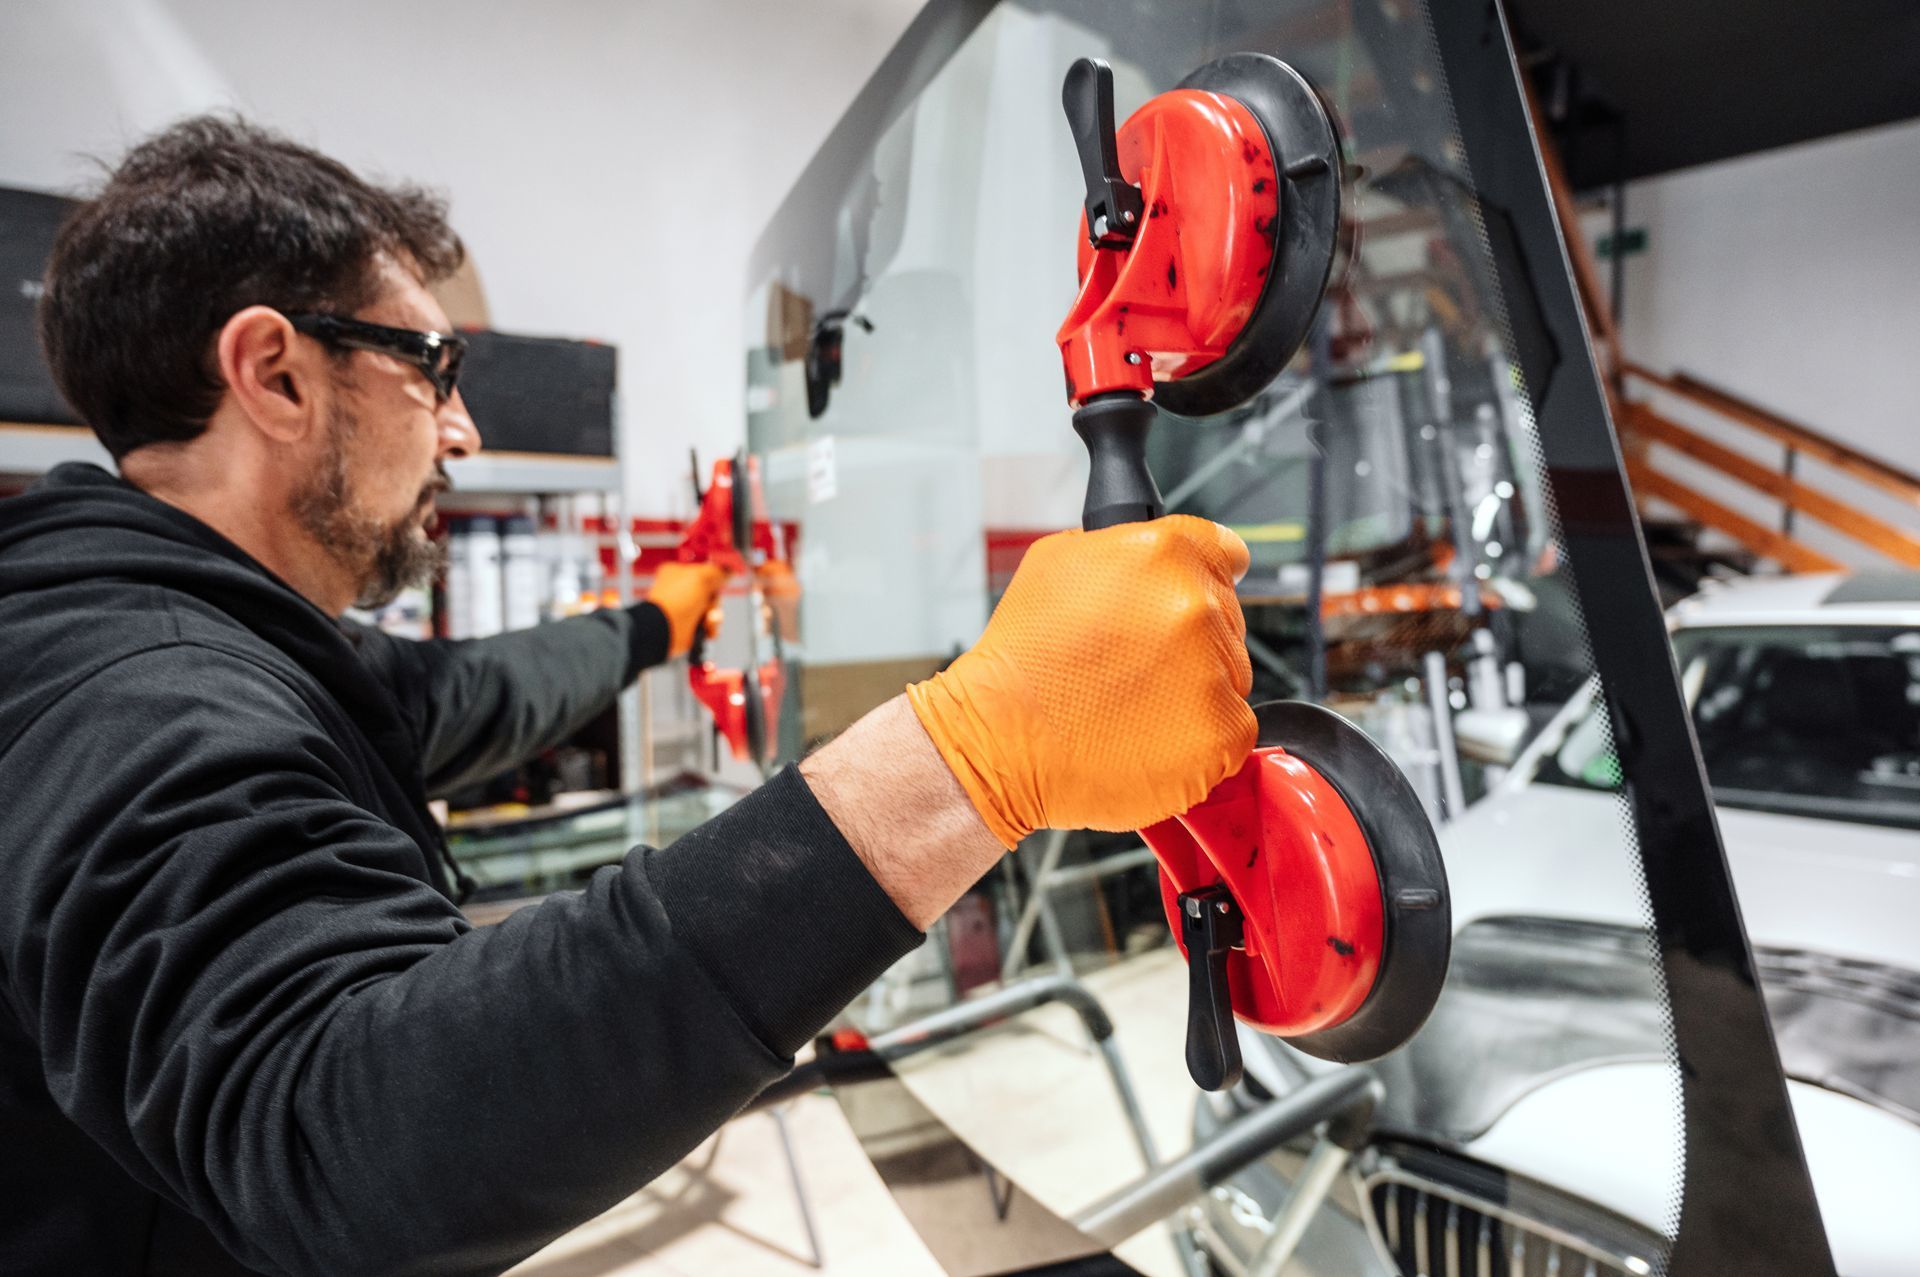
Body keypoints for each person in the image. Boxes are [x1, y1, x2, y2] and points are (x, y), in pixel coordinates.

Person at [0, 117, 1256, 1276]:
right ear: (273, 374)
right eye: (432, 365)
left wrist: (668, 613)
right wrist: (980, 753)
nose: (462, 429)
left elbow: (464, 695)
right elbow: (337, 1127)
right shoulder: (139, 691)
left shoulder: (210, 629)